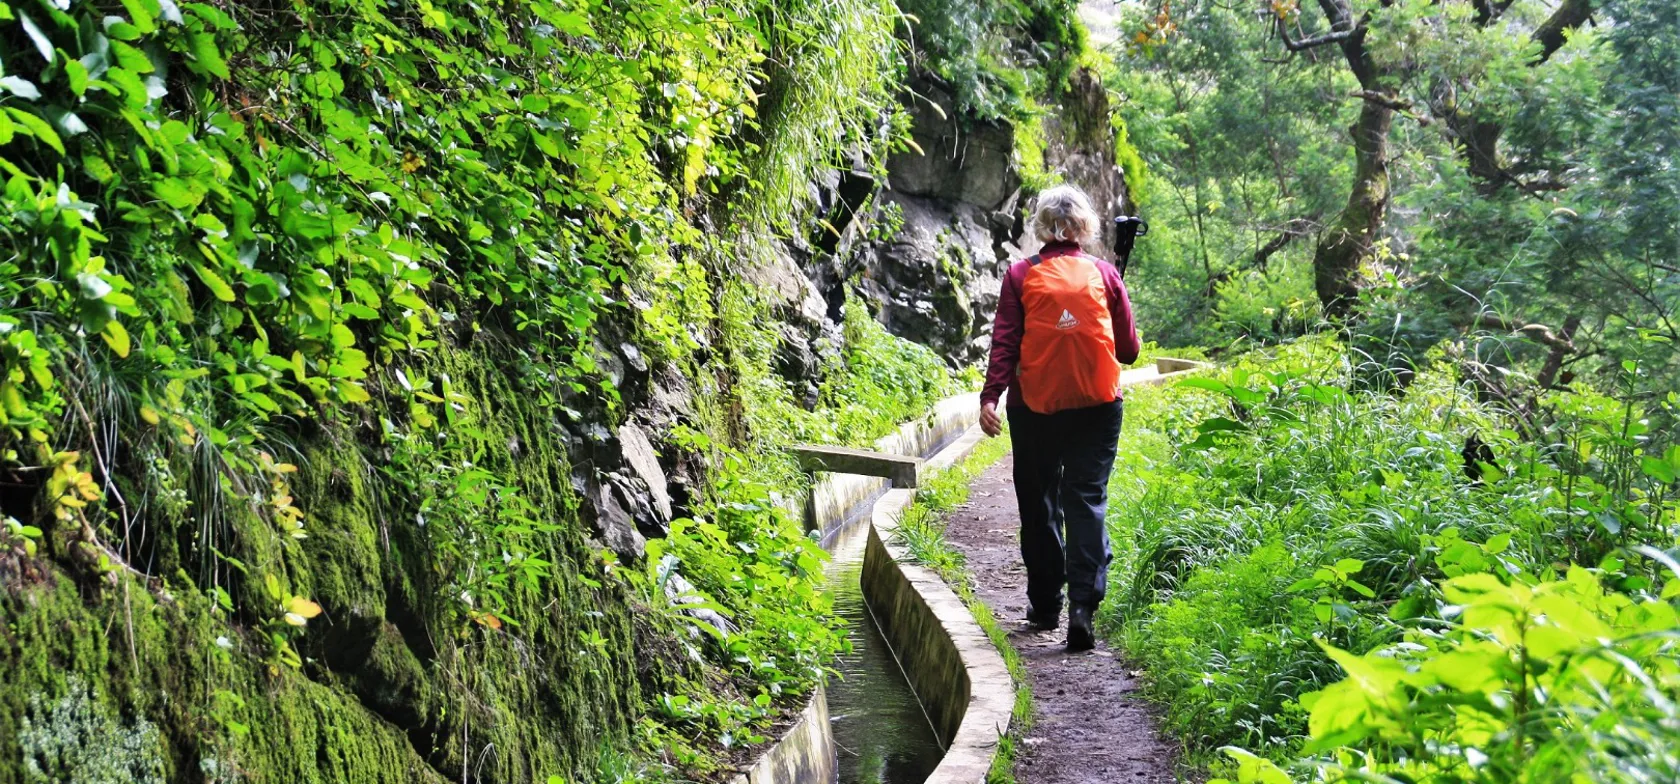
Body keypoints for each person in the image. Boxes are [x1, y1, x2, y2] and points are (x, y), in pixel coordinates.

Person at [979, 184, 1140, 653]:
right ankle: (1082, 609)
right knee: (1086, 499)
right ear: (1084, 228)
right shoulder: (1106, 274)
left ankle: (1046, 604)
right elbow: (1128, 351)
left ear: (1042, 228)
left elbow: (1005, 343)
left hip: (1034, 408)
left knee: (1039, 501)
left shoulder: (1020, 276)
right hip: (1097, 406)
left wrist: (991, 397)